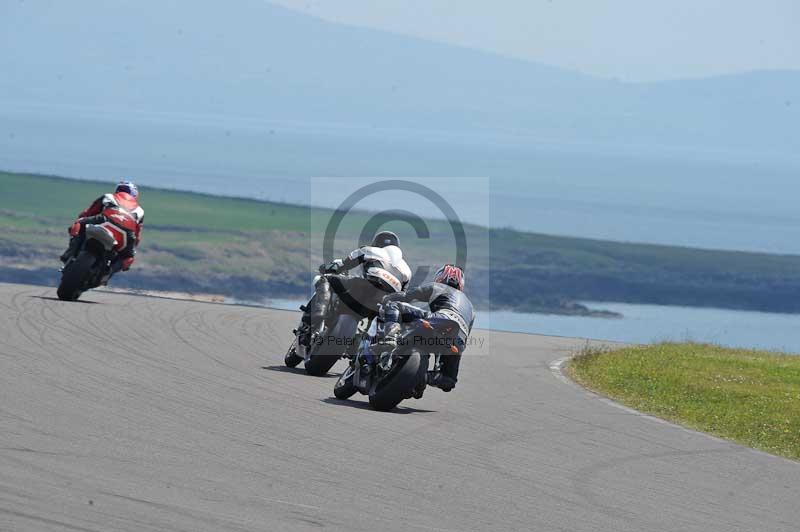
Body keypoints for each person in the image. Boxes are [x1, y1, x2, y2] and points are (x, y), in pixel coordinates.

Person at [301, 231, 412, 346]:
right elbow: (402, 295)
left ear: (376, 243)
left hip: (368, 285)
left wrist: (326, 268)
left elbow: (344, 265)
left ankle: (317, 315)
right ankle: (368, 346)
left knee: (325, 279)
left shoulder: (370, 250)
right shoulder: (407, 270)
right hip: (386, 300)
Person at [378, 264, 474, 392]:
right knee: (448, 380)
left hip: (439, 320)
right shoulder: (471, 308)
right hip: (459, 339)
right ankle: (423, 377)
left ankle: (390, 338)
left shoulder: (438, 287)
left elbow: (407, 296)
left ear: (440, 277)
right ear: (461, 283)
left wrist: (386, 298)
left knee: (394, 305)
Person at [60, 181, 144, 275]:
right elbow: (137, 236)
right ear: (135, 194)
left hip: (105, 220)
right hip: (127, 234)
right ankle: (108, 273)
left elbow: (88, 213)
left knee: (79, 223)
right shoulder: (140, 210)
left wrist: (78, 223)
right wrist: (131, 249)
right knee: (128, 257)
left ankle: (69, 254)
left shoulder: (109, 196)